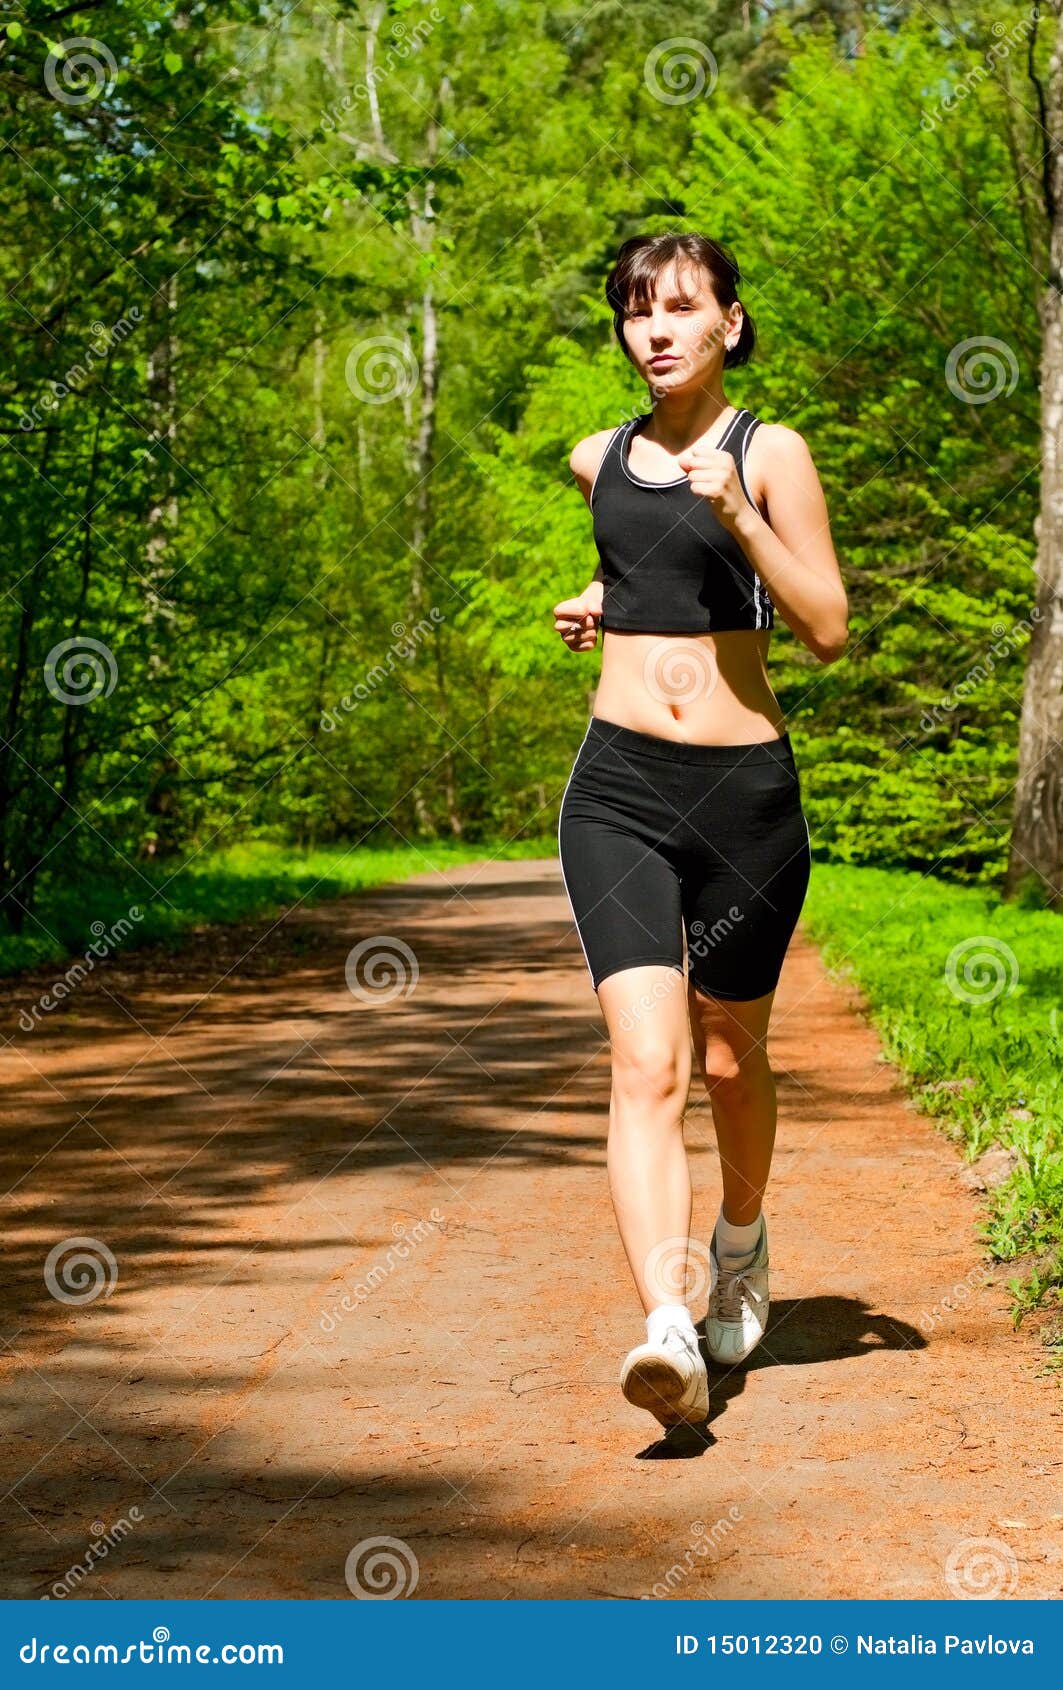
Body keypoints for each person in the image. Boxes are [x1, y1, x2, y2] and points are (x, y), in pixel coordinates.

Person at [554, 232, 848, 1432]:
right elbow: (644, 565)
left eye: (680, 308)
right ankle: (668, 1326)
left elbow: (826, 626)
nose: (656, 331)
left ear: (730, 321)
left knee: (728, 1061)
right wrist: (600, 599)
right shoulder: (597, 458)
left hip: (743, 799)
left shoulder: (769, 453)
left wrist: (738, 514)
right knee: (647, 1062)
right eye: (637, 312)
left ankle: (740, 1235)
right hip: (617, 789)